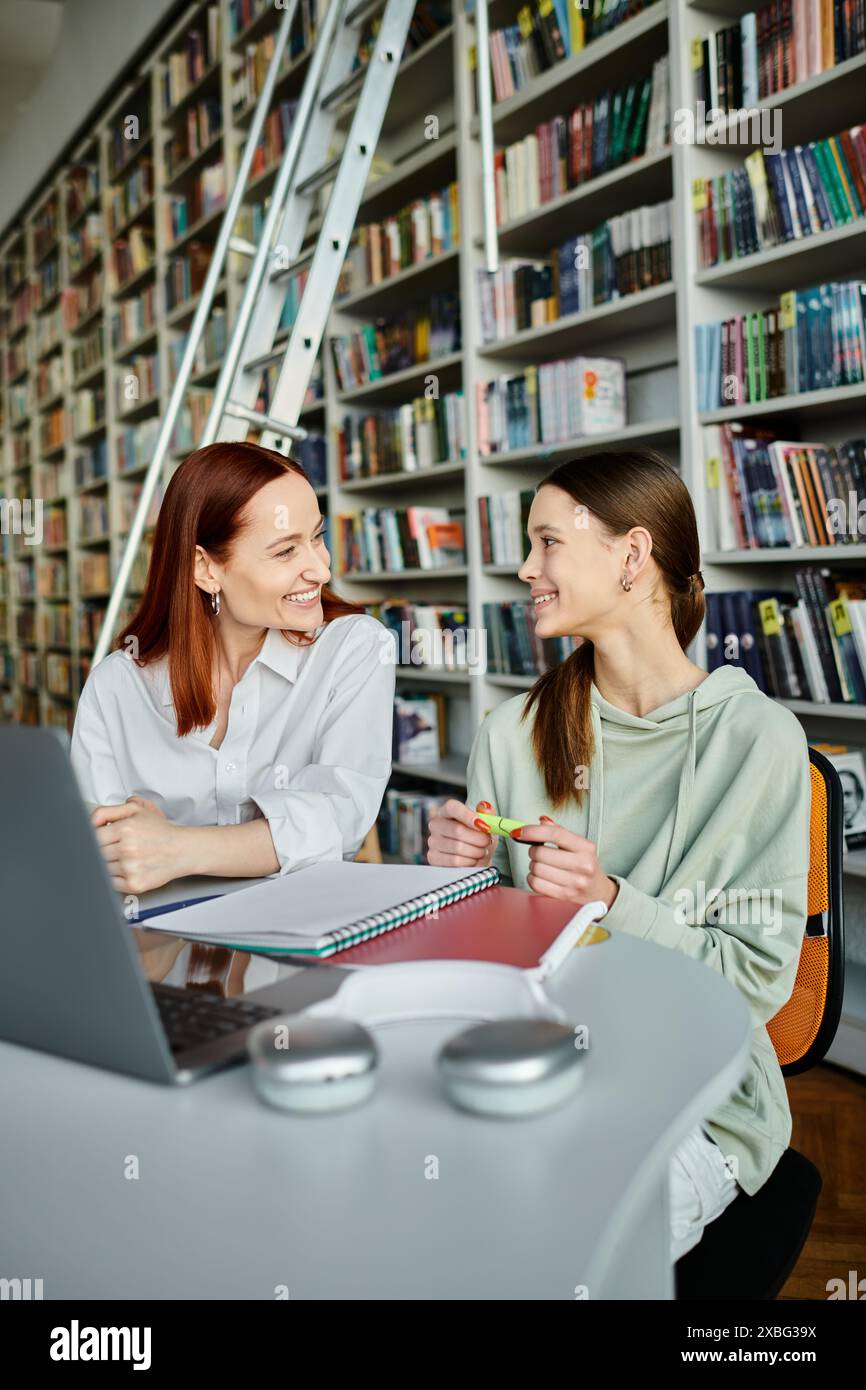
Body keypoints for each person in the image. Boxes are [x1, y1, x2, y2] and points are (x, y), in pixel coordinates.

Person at [426, 449, 812, 1264]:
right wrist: (453, 887)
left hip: (692, 1101)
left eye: (547, 542)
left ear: (632, 556)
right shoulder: (510, 735)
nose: (526, 567)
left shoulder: (760, 743)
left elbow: (750, 989)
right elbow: (475, 972)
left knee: (548, 1254)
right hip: (529, 1073)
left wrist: (608, 900)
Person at [70, 441, 395, 895]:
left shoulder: (354, 648)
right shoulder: (117, 686)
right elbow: (100, 850)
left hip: (294, 937)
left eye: (317, 537)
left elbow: (339, 821)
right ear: (205, 568)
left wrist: (176, 848)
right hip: (158, 948)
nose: (320, 570)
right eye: (285, 552)